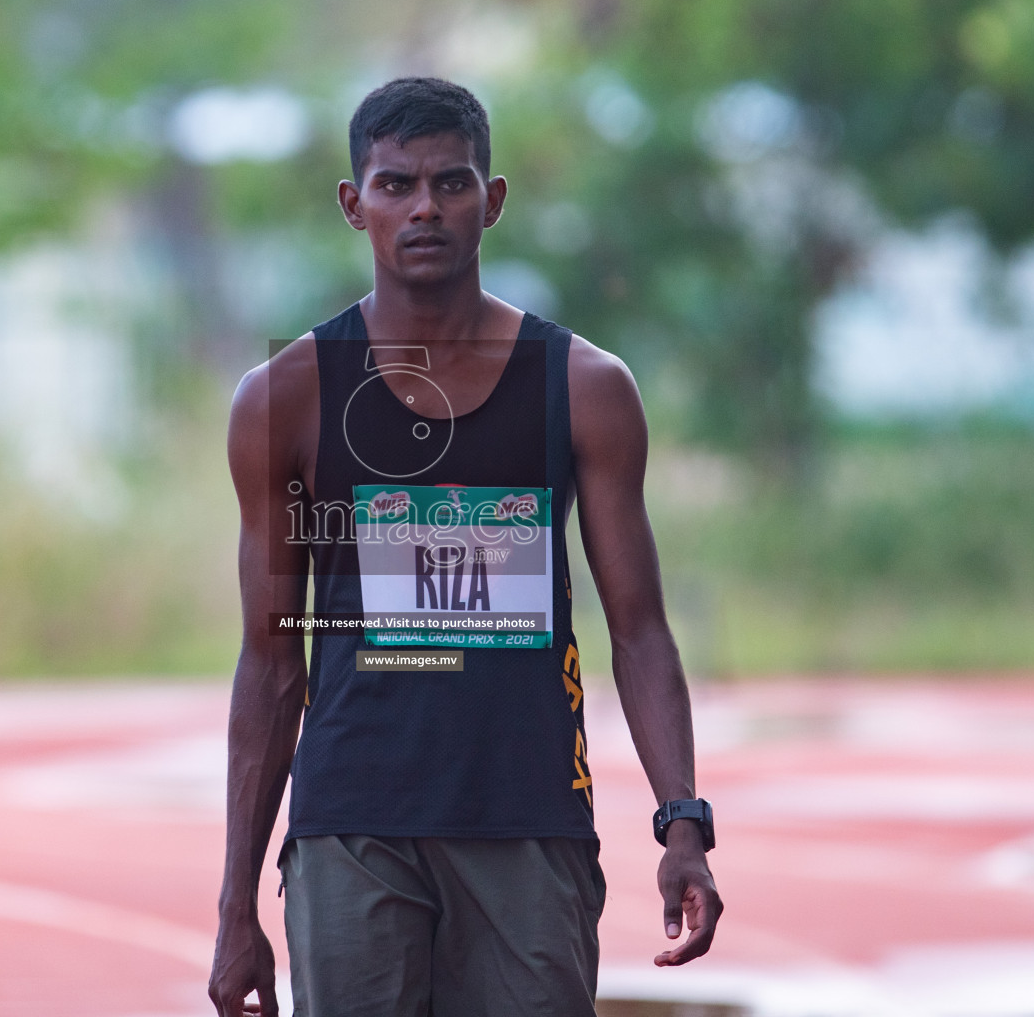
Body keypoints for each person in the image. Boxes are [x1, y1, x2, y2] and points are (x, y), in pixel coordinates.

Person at [210, 76, 722, 1017]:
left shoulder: (584, 387)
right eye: (396, 184)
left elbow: (640, 631)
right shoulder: (286, 398)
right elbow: (272, 663)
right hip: (352, 829)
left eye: (451, 184)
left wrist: (681, 819)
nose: (424, 208)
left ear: (492, 201)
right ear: (353, 204)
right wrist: (235, 902)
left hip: (528, 825)